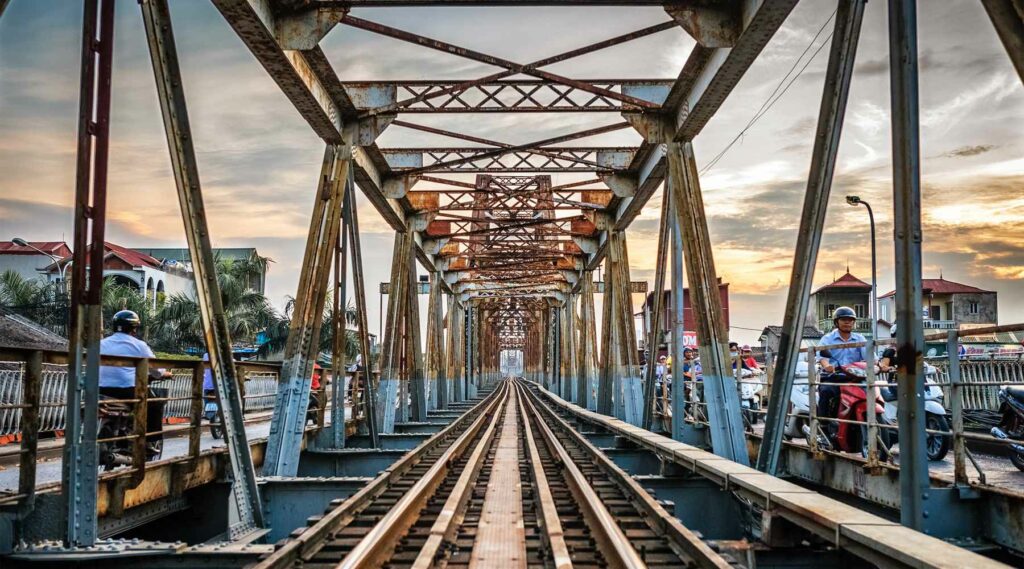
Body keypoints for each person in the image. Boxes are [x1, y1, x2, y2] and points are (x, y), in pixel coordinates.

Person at [99, 310, 168, 457]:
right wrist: (165, 374)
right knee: (156, 404)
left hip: (101, 390)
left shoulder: (101, 344)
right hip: (127, 390)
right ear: (134, 328)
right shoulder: (139, 345)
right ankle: (150, 440)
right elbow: (156, 370)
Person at [816, 306, 868, 420]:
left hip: (855, 377)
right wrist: (827, 366)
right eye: (844, 319)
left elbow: (869, 356)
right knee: (826, 391)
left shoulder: (860, 338)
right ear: (836, 322)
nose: (847, 322)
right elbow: (821, 356)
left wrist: (879, 364)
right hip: (834, 376)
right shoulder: (827, 338)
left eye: (850, 320)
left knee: (873, 391)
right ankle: (822, 426)